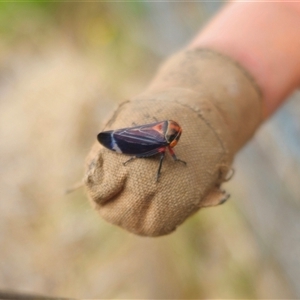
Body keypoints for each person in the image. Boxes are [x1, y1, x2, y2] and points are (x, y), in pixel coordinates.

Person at [84, 2, 300, 237]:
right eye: (175, 133)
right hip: (139, 137)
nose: (178, 137)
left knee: (159, 154)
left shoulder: (168, 140)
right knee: (151, 150)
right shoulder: (166, 139)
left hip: (148, 137)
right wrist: (213, 80)